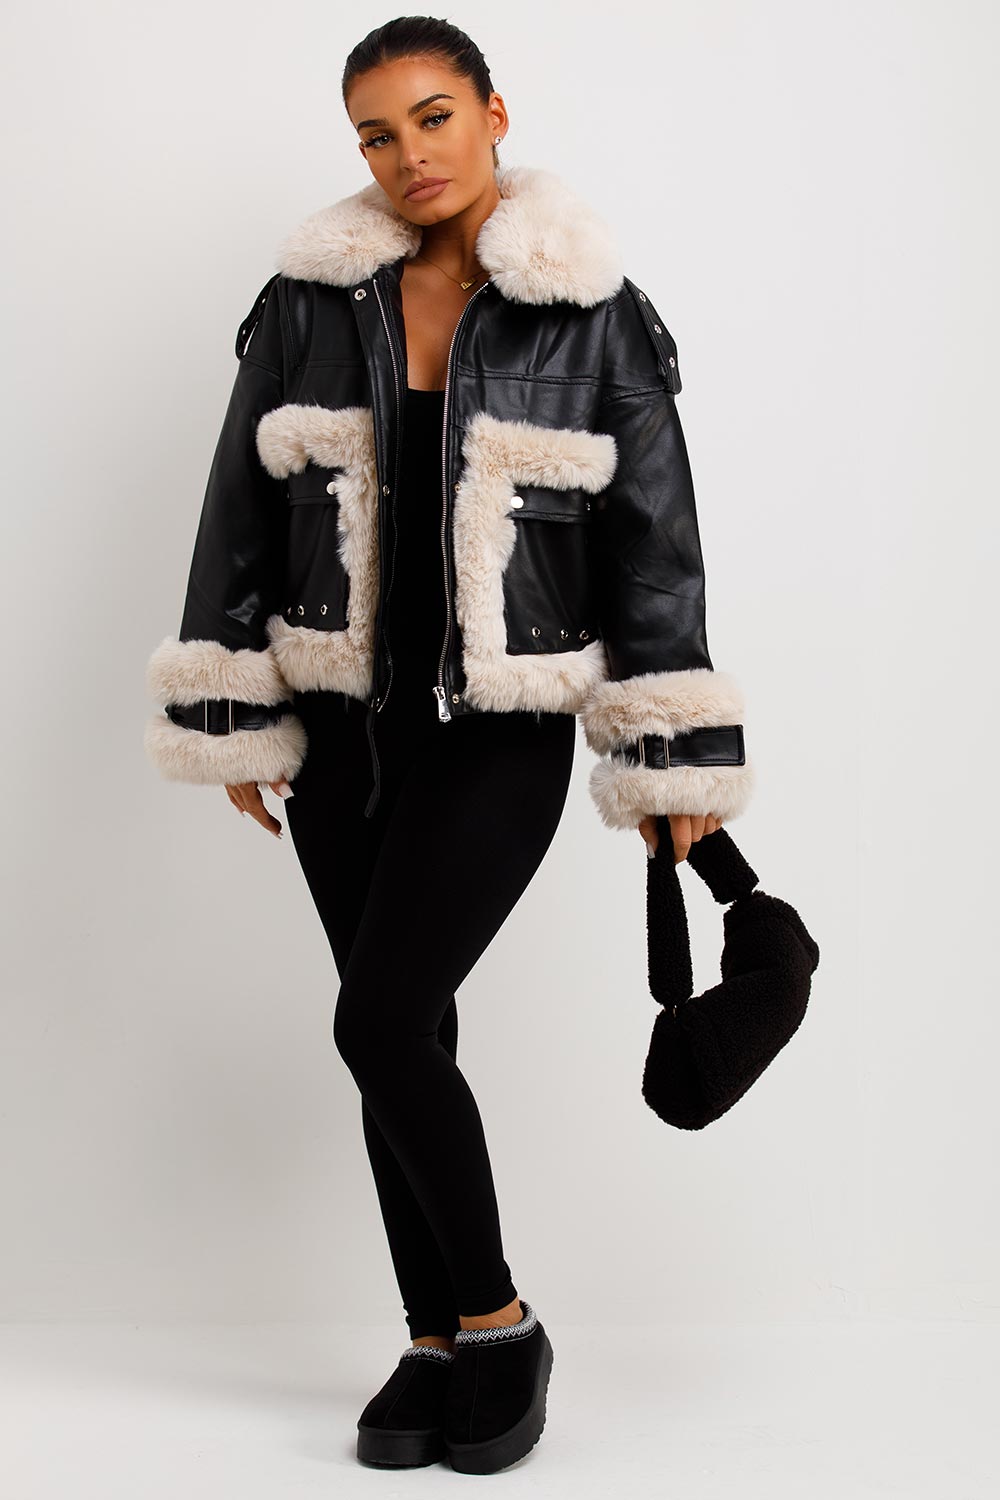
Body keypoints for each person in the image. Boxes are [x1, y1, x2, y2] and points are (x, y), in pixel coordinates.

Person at [143, 15, 755, 1474]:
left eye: (431, 117)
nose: (407, 154)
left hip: (501, 730)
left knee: (376, 1020)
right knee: (405, 1036)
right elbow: (239, 506)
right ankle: (433, 1341)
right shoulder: (310, 303)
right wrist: (233, 707)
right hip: (340, 731)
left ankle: (500, 1319)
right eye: (376, 132)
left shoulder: (594, 313)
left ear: (492, 113)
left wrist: (668, 760)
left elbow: (655, 553)